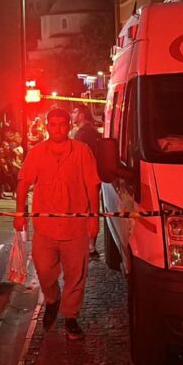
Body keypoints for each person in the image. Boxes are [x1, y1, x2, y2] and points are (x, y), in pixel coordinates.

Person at [15, 108, 101, 340]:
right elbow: (23, 183)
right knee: (44, 270)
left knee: (76, 276)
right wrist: (19, 213)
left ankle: (71, 317)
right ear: (47, 127)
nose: (58, 129)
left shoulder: (82, 151)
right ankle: (52, 299)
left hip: (76, 228)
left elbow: (92, 185)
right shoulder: (37, 152)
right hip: (45, 228)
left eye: (62, 124)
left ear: (69, 126)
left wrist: (94, 218)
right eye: (53, 124)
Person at [71, 106, 103, 259]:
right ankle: (90, 245)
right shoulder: (92, 131)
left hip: (84, 178)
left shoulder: (83, 133)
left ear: (81, 115)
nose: (72, 115)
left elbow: (78, 158)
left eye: (75, 112)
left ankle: (88, 246)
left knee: (85, 209)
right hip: (92, 176)